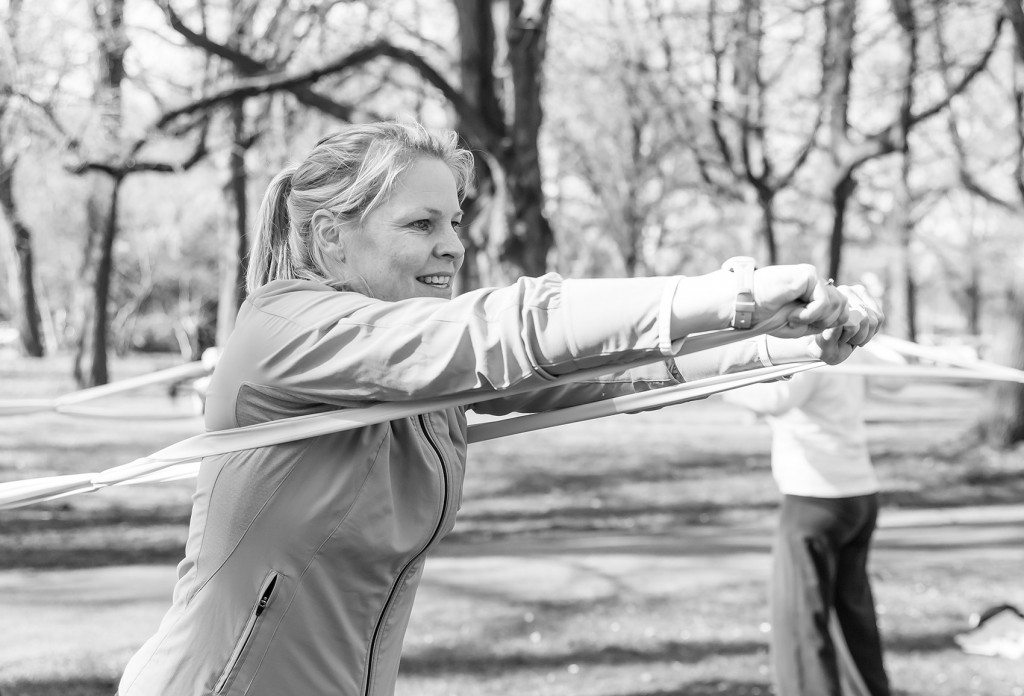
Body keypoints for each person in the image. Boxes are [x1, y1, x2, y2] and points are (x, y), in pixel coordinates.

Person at [116, 121, 881, 696]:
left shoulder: (420, 366)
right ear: (330, 238)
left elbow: (599, 371)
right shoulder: (281, 329)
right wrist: (723, 292)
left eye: (454, 222)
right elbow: (507, 327)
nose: (452, 245)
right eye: (421, 225)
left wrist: (789, 342)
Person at [723, 348, 905, 696]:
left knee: (799, 621)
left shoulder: (814, 350)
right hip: (859, 496)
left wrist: (713, 381)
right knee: (852, 614)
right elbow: (896, 379)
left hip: (816, 501)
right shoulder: (848, 347)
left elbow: (773, 398)